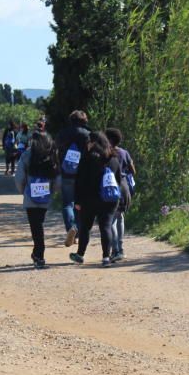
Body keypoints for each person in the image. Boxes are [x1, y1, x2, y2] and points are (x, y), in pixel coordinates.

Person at [69, 130, 121, 267]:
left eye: (88, 142)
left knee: (85, 227)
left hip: (89, 199)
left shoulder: (88, 157)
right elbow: (118, 180)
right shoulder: (114, 158)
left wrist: (78, 201)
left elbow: (80, 181)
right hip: (110, 199)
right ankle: (106, 258)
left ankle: (80, 254)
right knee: (106, 227)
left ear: (92, 143)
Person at [15, 131, 59, 268]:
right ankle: (37, 253)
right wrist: (52, 192)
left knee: (36, 226)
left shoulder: (27, 155)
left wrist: (23, 192)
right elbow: (58, 180)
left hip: (30, 196)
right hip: (45, 197)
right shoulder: (52, 155)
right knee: (38, 224)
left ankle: (39, 255)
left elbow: (19, 178)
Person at [56, 110, 91, 248]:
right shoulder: (88, 135)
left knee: (67, 203)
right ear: (84, 120)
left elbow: (55, 150)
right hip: (83, 175)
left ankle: (71, 229)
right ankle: (77, 231)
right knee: (80, 204)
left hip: (67, 173)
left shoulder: (63, 133)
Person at [105, 127, 136, 262]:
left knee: (110, 220)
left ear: (109, 139)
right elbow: (133, 170)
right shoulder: (124, 152)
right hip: (124, 187)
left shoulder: (106, 153)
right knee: (120, 217)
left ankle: (116, 250)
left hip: (111, 187)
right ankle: (120, 249)